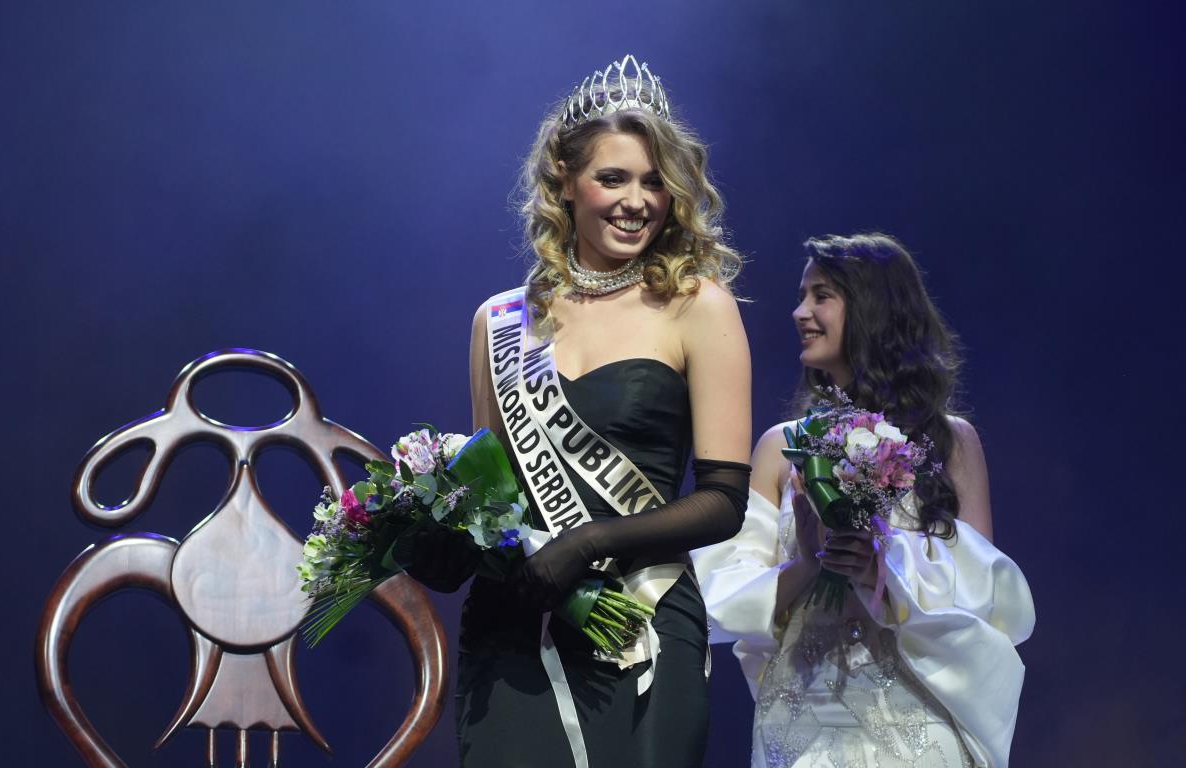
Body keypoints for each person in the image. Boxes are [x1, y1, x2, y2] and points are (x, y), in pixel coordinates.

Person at [410, 55, 753, 768]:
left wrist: (585, 542)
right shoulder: (500, 322)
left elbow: (724, 502)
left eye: (655, 182)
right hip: (517, 627)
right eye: (614, 178)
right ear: (565, 181)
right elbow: (492, 495)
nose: (638, 201)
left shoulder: (697, 305)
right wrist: (434, 538)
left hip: (642, 617)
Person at [693, 233, 1035, 767]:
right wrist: (806, 565)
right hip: (802, 718)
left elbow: (981, 593)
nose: (800, 313)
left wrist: (883, 569)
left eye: (821, 296)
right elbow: (722, 592)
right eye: (801, 297)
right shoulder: (781, 449)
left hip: (913, 719)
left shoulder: (950, 441)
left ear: (873, 308)